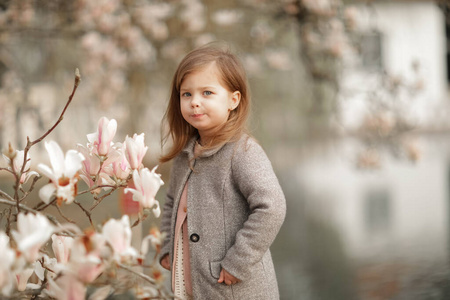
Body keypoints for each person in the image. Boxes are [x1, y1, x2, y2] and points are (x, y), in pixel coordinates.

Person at [158, 43, 286, 300]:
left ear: (233, 100)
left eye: (207, 93)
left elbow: (272, 206)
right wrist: (167, 247)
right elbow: (172, 203)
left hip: (234, 289)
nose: (195, 102)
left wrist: (238, 261)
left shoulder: (243, 152)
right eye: (186, 94)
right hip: (193, 284)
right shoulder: (186, 153)